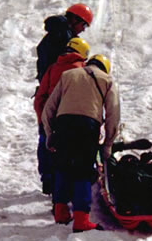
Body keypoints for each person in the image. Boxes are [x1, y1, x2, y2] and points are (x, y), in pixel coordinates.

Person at [41, 54, 120, 232]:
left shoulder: (68, 75)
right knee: (82, 171)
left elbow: (49, 108)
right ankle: (81, 220)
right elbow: (113, 115)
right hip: (87, 126)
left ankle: (60, 212)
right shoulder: (106, 80)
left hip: (63, 124)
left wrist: (49, 134)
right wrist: (108, 144)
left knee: (63, 167)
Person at [33, 37, 90, 196]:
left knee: (46, 146)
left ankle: (48, 180)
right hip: (73, 119)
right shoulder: (83, 70)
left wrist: (42, 120)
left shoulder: (52, 68)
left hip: (49, 117)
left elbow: (40, 97)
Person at [35, 3, 93, 82]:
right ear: (75, 19)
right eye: (84, 25)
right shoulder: (61, 34)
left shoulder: (59, 31)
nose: (83, 29)